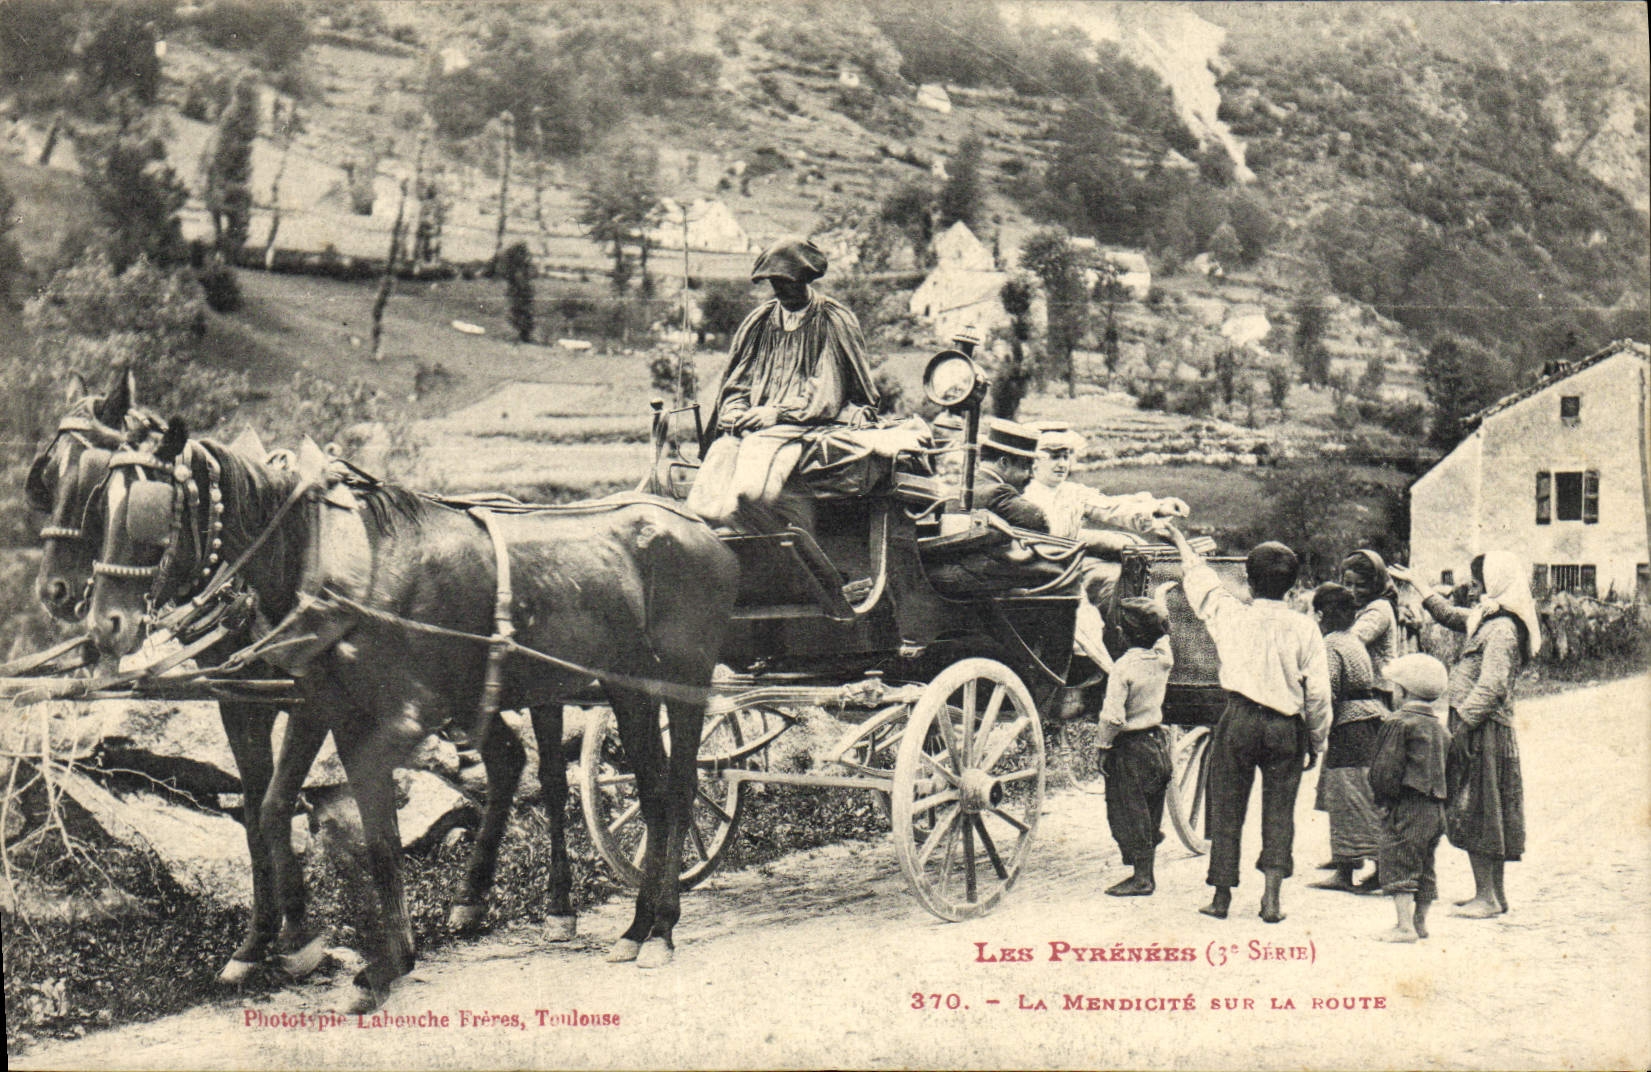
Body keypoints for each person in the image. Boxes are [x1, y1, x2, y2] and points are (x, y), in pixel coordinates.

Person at [1167, 525, 1331, 924]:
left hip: (1237, 719)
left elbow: (1200, 581)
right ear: (1294, 586)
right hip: (1285, 727)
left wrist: (1179, 541)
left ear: (1247, 581)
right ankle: (1271, 900)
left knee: (1226, 806)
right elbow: (1319, 696)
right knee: (1279, 811)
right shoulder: (1305, 627)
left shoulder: (1230, 613)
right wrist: (1316, 740)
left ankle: (1221, 897)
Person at [689, 236, 878, 531]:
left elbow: (826, 391)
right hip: (758, 421)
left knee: (757, 455)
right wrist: (736, 410)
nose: (779, 289)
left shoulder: (831, 321)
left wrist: (776, 413)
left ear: (804, 279)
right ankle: (704, 525)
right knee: (723, 451)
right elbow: (738, 380)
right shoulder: (760, 322)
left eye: (787, 281)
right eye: (774, 282)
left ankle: (743, 523)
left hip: (813, 419)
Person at [1390, 551, 1537, 919]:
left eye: (1477, 580)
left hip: (1481, 729)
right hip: (1478, 726)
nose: (1471, 588)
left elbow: (1493, 685)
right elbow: (1445, 614)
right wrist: (1418, 584)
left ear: (1495, 581)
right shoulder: (1488, 620)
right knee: (1484, 807)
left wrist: (1463, 728)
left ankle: (1487, 896)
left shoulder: (1502, 629)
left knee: (1481, 809)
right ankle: (1492, 895)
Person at [1025, 422, 1191, 673]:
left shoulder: (1073, 493)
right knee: (1080, 628)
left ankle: (1084, 687)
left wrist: (1158, 507)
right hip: (1032, 575)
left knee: (1088, 626)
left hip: (1065, 577)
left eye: (1066, 456)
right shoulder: (1022, 495)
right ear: (1034, 461)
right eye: (1054, 457)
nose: (1062, 464)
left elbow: (1111, 507)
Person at [1308, 583, 1388, 895]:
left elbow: (1328, 690)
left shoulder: (1329, 645)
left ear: (1320, 614)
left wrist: (1316, 726)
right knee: (1366, 793)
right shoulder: (1353, 641)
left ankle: (1345, 870)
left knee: (1346, 794)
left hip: (1348, 725)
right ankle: (1380, 866)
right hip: (1370, 719)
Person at [1368, 652, 1452, 943]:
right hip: (1436, 807)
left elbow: (1384, 769)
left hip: (1408, 803)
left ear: (1403, 691)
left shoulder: (1398, 723)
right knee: (1425, 863)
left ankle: (1404, 926)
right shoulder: (1442, 729)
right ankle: (1420, 922)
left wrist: (1384, 799)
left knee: (1398, 856)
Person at [1095, 596, 1175, 897]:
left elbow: (1113, 717)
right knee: (1149, 810)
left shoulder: (1123, 667)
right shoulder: (1164, 660)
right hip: (1157, 745)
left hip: (1130, 751)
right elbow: (1164, 640)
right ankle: (1150, 843)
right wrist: (1160, 603)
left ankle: (1142, 878)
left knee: (1125, 814)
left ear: (1121, 634)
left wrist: (1102, 747)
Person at [971, 418, 1049, 531]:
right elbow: (1038, 519)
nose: (1031, 475)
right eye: (1025, 466)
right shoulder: (998, 493)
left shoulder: (957, 489)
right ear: (1004, 462)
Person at [1341, 549, 1403, 687]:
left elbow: (1349, 642)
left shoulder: (1379, 609)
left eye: (1361, 586)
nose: (1352, 591)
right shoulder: (1360, 606)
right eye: (1348, 584)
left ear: (1375, 584)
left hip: (1376, 691)